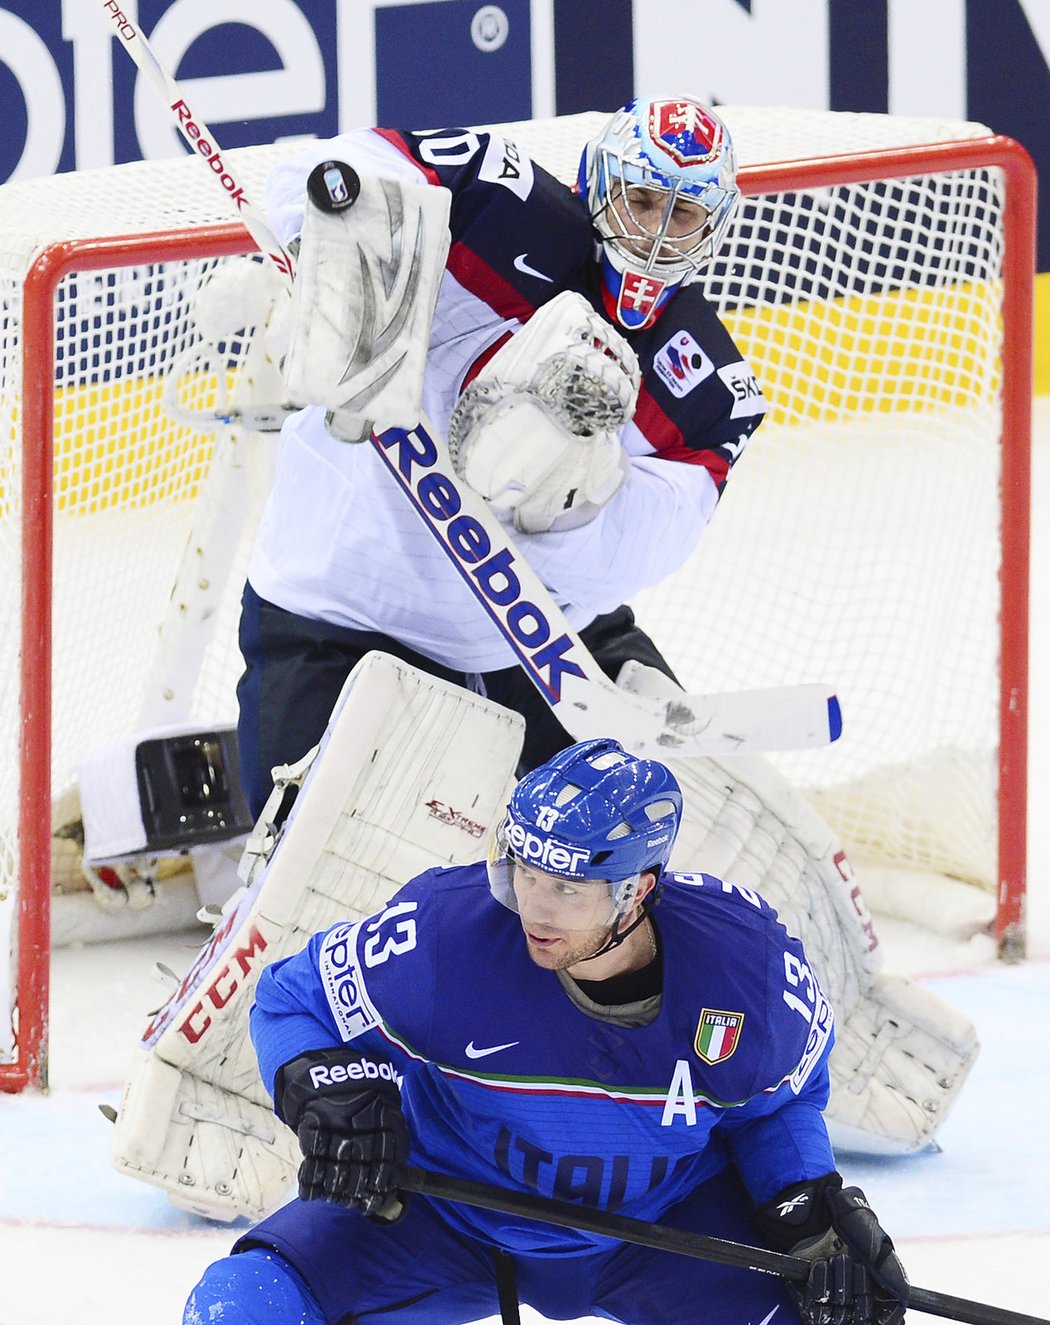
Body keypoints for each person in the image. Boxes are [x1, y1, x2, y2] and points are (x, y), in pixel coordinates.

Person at [184, 737, 909, 1325]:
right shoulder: (444, 934)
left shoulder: (748, 968)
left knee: (841, 1319)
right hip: (445, 1212)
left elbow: (780, 1102)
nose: (535, 908)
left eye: (567, 888)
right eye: (525, 873)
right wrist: (325, 1090)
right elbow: (287, 998)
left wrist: (806, 1205)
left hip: (660, 1229)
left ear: (639, 891)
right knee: (241, 1304)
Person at [236, 97, 768, 816]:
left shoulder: (707, 387)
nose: (655, 234)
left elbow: (637, 552)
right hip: (338, 612)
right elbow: (326, 173)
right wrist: (349, 266)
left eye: (682, 216)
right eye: (641, 200)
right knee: (311, 872)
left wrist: (561, 485)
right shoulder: (496, 200)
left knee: (652, 843)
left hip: (536, 645)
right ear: (598, 185)